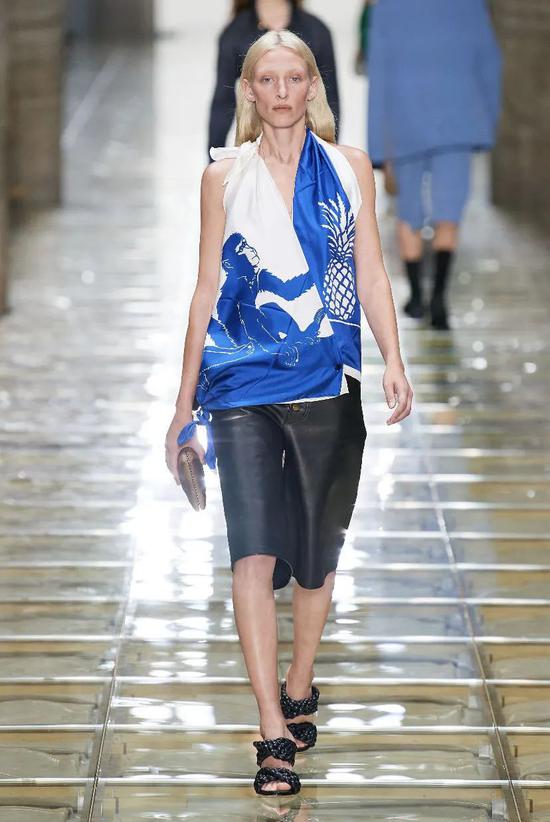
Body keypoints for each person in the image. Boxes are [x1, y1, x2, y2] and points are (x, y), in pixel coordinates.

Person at [165, 29, 412, 796]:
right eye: (266, 80)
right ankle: (272, 728)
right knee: (252, 552)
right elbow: (206, 288)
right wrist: (182, 405)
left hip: (326, 379)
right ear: (249, 90)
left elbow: (371, 272)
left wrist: (393, 359)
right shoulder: (223, 177)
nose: (279, 92)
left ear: (312, 87)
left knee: (315, 556)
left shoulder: (349, 168)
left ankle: (300, 680)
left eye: (292, 78)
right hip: (239, 382)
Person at [367, 0, 502, 330]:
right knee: (449, 210)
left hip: (404, 122)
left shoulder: (387, 8)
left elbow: (379, 76)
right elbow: (489, 63)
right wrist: (487, 121)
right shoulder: (470, 6)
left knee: (408, 210)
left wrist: (377, 145)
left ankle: (416, 295)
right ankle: (439, 296)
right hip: (458, 119)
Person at [208, 0, 340, 155]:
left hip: (308, 152)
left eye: (295, 78)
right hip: (257, 151)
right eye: (267, 79)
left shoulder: (317, 31)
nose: (282, 91)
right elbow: (223, 101)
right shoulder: (235, 34)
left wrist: (329, 155)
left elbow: (330, 99)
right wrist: (214, 160)